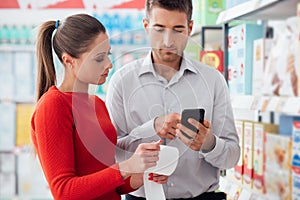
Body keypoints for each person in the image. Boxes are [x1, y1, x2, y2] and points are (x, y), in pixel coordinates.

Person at [106, 0, 240, 199]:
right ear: (146, 26)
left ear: (190, 28)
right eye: (159, 29)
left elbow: (232, 157)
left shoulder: (213, 81)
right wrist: (149, 131)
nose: (168, 41)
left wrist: (209, 143)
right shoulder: (122, 82)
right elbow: (110, 152)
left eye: (178, 29)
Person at [31, 13, 166, 200]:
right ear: (69, 60)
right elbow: (63, 192)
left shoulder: (97, 104)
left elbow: (111, 185)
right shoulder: (53, 106)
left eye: (108, 55)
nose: (109, 64)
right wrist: (127, 167)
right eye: (99, 58)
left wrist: (142, 174)